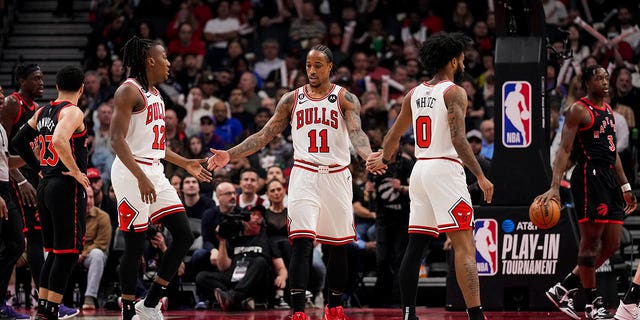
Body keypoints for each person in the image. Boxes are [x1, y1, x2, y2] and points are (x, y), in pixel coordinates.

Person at [207, 44, 375, 320]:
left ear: (330, 67)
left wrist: (369, 156)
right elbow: (263, 135)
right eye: (308, 65)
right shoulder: (291, 99)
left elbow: (357, 133)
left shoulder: (345, 98)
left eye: (318, 65)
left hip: (336, 175)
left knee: (338, 245)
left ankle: (335, 307)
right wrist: (230, 154)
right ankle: (298, 312)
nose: (311, 70)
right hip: (304, 174)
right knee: (301, 242)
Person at [367, 32, 494, 320]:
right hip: (445, 170)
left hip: (420, 171)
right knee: (464, 245)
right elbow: (459, 139)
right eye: (461, 58)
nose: (463, 63)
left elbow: (393, 135)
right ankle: (477, 316)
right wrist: (481, 176)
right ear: (452, 60)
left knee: (416, 244)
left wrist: (383, 159)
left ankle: (409, 314)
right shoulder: (455, 92)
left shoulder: (413, 93)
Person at [110, 36, 212, 320]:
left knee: (183, 234)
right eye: (165, 57)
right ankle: (129, 310)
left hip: (154, 169)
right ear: (150, 60)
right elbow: (117, 141)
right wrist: (141, 177)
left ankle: (150, 302)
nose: (169, 62)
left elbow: (156, 145)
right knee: (135, 243)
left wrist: (186, 162)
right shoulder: (127, 91)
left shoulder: (156, 93)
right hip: (132, 173)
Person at [539, 64, 637, 320]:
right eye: (598, 77)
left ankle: (564, 287)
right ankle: (593, 303)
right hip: (588, 175)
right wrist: (554, 186)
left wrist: (625, 185)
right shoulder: (578, 110)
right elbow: (564, 150)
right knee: (591, 243)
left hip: (609, 178)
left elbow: (613, 151)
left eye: (606, 77)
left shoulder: (608, 111)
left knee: (612, 243)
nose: (605, 81)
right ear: (586, 83)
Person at [12, 65, 90, 320]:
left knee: (54, 253)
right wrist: (77, 171)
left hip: (46, 185)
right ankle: (51, 312)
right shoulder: (73, 111)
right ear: (81, 88)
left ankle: (44, 310)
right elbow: (58, 140)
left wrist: (40, 167)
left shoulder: (43, 111)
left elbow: (18, 143)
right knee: (67, 254)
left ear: (57, 86)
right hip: (65, 187)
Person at [2, 65, 47, 310]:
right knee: (25, 239)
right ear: (22, 80)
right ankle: (45, 301)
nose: (42, 83)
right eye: (36, 79)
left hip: (31, 176)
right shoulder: (12, 104)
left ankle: (46, 300)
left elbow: (33, 153)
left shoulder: (37, 110)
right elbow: (3, 153)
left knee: (34, 237)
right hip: (14, 178)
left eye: (42, 78)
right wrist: (20, 180)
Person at [195, 205, 288, 311]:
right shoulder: (234, 239)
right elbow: (223, 267)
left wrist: (282, 277)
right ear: (243, 220)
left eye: (259, 216)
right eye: (253, 215)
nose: (257, 217)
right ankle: (240, 299)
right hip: (235, 278)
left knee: (260, 261)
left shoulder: (267, 241)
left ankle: (233, 297)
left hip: (258, 282)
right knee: (202, 277)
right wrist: (222, 240)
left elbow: (281, 268)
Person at [0, 84, 31, 320]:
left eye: (2, 91)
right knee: (13, 244)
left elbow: (6, 162)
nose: (2, 95)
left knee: (16, 244)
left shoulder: (1, 129)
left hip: (5, 187)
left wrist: (34, 160)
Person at [80, 186, 112, 310]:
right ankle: (52, 298)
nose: (89, 201)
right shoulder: (71, 215)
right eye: (86, 197)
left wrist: (83, 254)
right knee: (48, 254)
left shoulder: (103, 216)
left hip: (90, 256)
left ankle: (89, 296)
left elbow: (101, 243)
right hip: (73, 254)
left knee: (97, 254)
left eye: (91, 197)